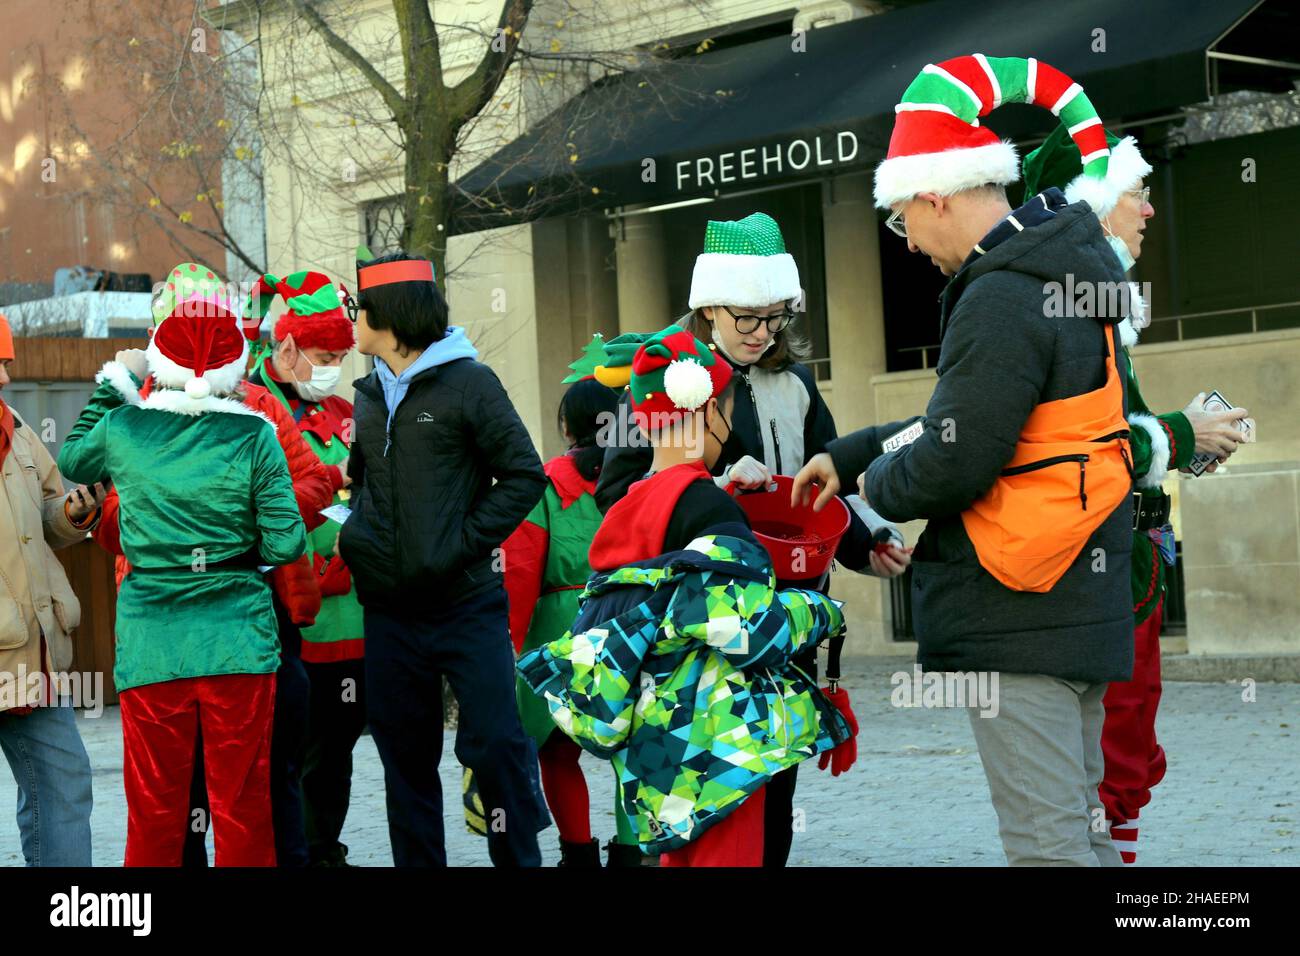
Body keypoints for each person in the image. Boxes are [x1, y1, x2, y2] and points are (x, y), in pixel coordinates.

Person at [794, 55, 1141, 866]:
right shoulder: (1063, 270)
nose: (907, 244)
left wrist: (875, 488)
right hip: (1078, 610)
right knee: (1078, 830)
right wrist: (852, 454)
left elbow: (957, 457)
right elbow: (998, 424)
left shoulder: (999, 293)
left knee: (1045, 849)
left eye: (901, 220)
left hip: (1018, 616)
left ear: (934, 194)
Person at [595, 211, 910, 866]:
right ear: (708, 307)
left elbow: (827, 483)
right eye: (748, 319)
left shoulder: (794, 386)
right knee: (704, 808)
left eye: (775, 319)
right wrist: (710, 482)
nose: (763, 334)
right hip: (696, 644)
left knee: (772, 809)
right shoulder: (665, 377)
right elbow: (619, 497)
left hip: (783, 630)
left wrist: (870, 537)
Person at [518, 325, 851, 867]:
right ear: (706, 412)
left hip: (656, 744)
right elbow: (749, 630)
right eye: (726, 409)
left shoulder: (627, 507)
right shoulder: (711, 511)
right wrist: (821, 612)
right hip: (717, 744)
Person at [1021, 127, 1251, 864]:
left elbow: (1122, 432)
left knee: (1126, 728)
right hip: (1095, 560)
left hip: (1129, 555)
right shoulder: (1069, 310)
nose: (1151, 210)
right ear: (1092, 206)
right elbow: (1091, 444)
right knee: (1107, 735)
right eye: (1138, 193)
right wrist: (1180, 435)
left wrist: (1185, 438)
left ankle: (1115, 853)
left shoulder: (1106, 308)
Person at [83, 262, 332, 867]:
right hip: (182, 622)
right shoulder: (138, 416)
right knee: (191, 802)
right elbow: (110, 523)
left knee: (258, 791)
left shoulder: (258, 410)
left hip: (249, 617)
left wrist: (235, 519)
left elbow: (316, 483)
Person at [338, 250, 547, 867]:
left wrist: (458, 544)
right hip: (390, 613)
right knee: (405, 762)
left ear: (390, 314)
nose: (351, 317)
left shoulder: (470, 384)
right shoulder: (369, 392)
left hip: (465, 603)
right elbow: (370, 482)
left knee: (498, 746)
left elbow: (523, 475)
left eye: (357, 307)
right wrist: (361, 536)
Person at [246, 270, 365, 867]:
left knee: (338, 745)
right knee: (287, 748)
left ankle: (325, 847)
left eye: (341, 356)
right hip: (287, 611)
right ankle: (292, 852)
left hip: (352, 611)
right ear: (285, 346)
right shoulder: (250, 409)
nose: (333, 367)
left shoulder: (349, 412)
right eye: (324, 355)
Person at [502, 373, 619, 867]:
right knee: (630, 751)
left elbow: (520, 571)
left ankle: (578, 853)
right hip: (629, 625)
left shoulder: (544, 485)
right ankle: (632, 854)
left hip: (558, 633)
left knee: (556, 749)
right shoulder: (642, 479)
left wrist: (507, 642)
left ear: (568, 428)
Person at [0, 313, 102, 866]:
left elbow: (45, 513)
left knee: (63, 782)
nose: (4, 378)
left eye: (5, 364)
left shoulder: (13, 428)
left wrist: (72, 512)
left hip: (29, 653)